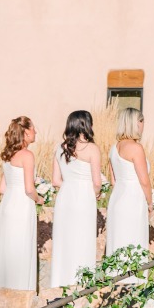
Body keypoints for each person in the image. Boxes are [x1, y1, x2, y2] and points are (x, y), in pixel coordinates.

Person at [50, 110, 102, 289]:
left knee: (64, 240)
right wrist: (96, 192)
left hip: (65, 197)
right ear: (86, 125)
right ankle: (81, 284)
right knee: (82, 239)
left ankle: (60, 282)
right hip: (83, 197)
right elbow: (97, 182)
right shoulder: (92, 149)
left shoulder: (60, 148)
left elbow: (55, 181)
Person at [0, 116, 43, 290]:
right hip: (22, 205)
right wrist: (40, 199)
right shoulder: (27, 155)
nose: (36, 132)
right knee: (22, 247)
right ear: (26, 132)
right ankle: (21, 291)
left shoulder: (8, 155)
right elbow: (29, 189)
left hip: (8, 204)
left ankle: (4, 289)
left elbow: (2, 189)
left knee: (9, 248)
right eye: (33, 129)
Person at [106, 108, 154, 265]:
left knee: (119, 241)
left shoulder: (114, 148)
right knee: (134, 240)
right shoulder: (136, 147)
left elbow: (113, 180)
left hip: (118, 198)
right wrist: (150, 203)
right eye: (142, 121)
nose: (143, 125)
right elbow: (144, 180)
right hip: (133, 199)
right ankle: (133, 281)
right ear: (136, 123)